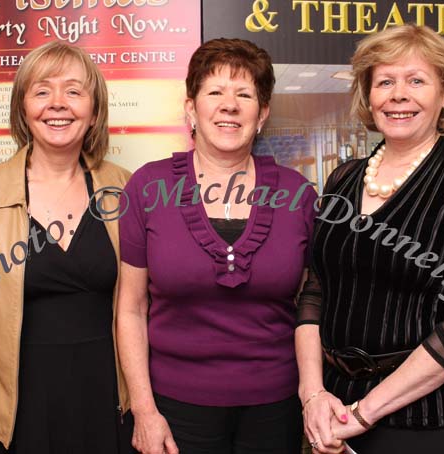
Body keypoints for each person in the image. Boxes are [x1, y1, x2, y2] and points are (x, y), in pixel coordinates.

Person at [295, 24, 444, 454]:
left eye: (416, 80)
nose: (398, 94)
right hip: (331, 407)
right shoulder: (343, 178)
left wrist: (360, 415)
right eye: (385, 81)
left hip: (426, 422)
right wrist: (313, 396)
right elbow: (314, 293)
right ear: (369, 95)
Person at [117, 38, 318, 454]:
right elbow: (131, 308)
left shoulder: (299, 194)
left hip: (275, 409)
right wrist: (144, 411)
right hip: (174, 411)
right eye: (214, 92)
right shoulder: (147, 187)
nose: (229, 105)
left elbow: (309, 303)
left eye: (244, 94)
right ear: (191, 108)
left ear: (261, 114)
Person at [0, 41, 135, 453]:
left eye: (74, 91)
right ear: (22, 108)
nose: (57, 104)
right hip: (15, 422)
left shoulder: (129, 188)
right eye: (42, 91)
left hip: (108, 412)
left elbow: (145, 313)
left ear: (94, 111)